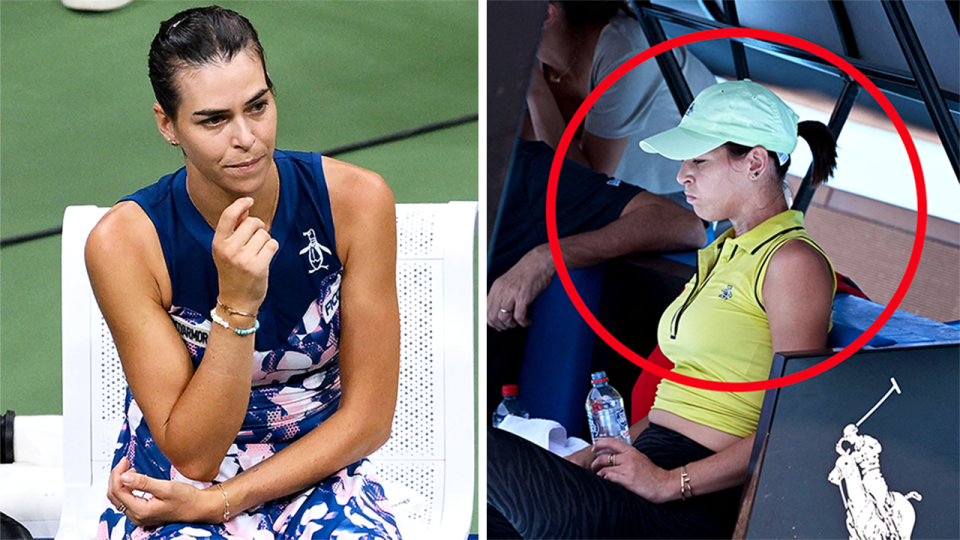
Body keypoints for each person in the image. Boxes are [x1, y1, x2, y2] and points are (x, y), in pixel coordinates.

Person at [86, 7, 401, 539]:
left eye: (258, 106)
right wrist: (235, 306)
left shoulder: (358, 202)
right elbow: (196, 456)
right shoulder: (124, 244)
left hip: (317, 463)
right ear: (168, 124)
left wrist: (224, 504)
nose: (246, 137)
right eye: (213, 120)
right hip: (177, 481)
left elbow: (369, 419)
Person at [488, 79, 838, 539]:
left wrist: (670, 483)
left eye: (699, 161)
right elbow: (680, 402)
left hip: (681, 506)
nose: (681, 176)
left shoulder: (792, 262)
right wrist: (601, 456)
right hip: (639, 472)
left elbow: (799, 420)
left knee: (472, 448)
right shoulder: (725, 251)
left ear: (754, 162)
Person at [526, 1, 717, 194]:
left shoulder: (627, 52)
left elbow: (585, 182)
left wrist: (531, 84)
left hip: (680, 196)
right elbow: (516, 147)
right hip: (617, 192)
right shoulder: (540, 56)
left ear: (547, 14)